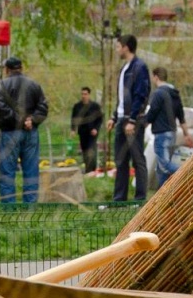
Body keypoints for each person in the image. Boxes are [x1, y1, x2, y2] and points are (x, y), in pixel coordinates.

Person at [0, 57, 49, 203]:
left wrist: (19, 120)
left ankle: (9, 209)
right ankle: (30, 207)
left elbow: (1, 108)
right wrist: (32, 120)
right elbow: (43, 107)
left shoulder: (1, 85)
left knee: (7, 173)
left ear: (7, 69)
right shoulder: (34, 85)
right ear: (21, 68)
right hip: (30, 132)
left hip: (10, 132)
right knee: (31, 171)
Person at [107, 34, 151, 201]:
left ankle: (140, 198)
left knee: (137, 159)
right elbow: (122, 98)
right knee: (120, 161)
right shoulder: (124, 68)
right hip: (121, 119)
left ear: (126, 47)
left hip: (134, 120)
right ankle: (119, 199)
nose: (117, 50)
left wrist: (132, 119)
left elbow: (141, 95)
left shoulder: (139, 67)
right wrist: (114, 117)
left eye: (118, 46)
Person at [147, 65, 186, 188]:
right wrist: (186, 134)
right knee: (161, 168)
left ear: (156, 77)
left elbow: (152, 112)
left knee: (165, 165)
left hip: (162, 134)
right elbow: (181, 115)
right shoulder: (175, 94)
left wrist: (141, 125)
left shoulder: (158, 93)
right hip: (172, 134)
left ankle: (187, 172)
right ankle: (162, 194)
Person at [71, 86, 103, 174]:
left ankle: (93, 170)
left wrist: (96, 129)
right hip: (82, 132)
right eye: (82, 94)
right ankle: (87, 169)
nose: (83, 96)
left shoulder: (95, 106)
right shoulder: (77, 106)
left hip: (92, 132)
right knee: (84, 150)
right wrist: (73, 129)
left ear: (89, 95)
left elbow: (100, 119)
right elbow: (73, 118)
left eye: (85, 94)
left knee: (91, 150)